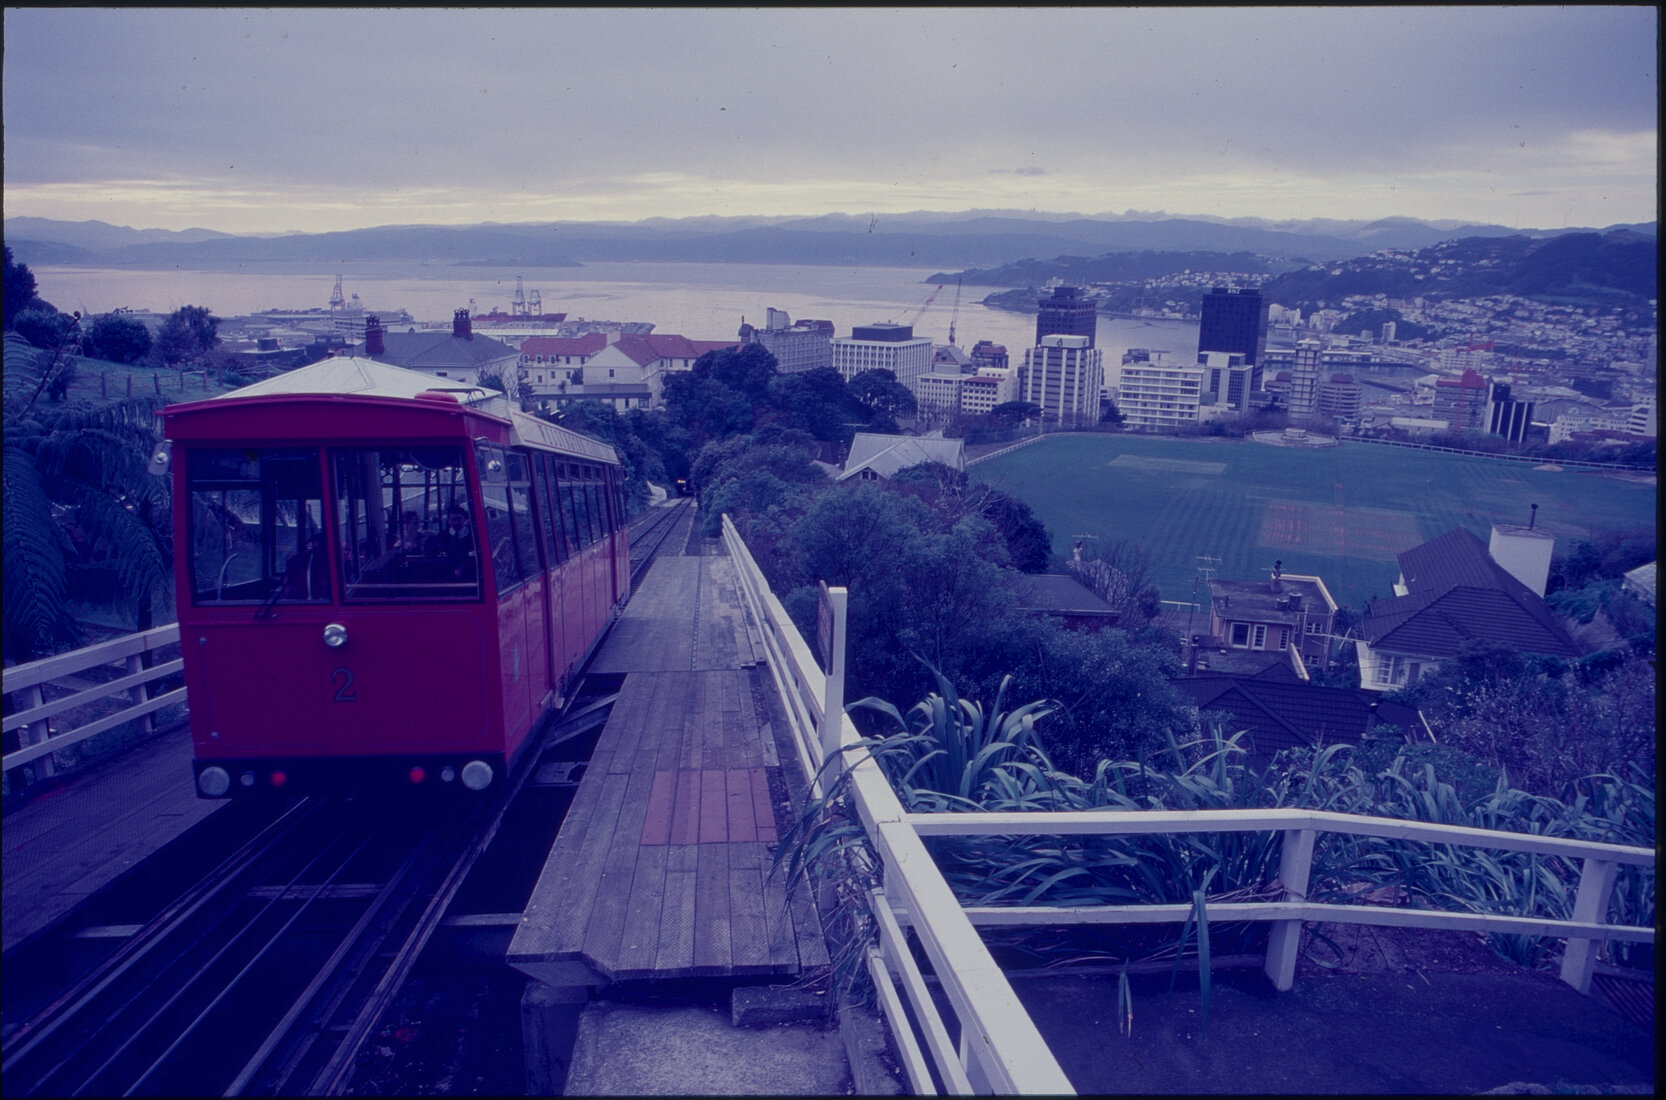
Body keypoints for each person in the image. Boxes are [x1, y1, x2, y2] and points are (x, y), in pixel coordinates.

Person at [438, 503, 477, 580]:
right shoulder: (442, 536)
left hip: (469, 577)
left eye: (459, 519)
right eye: (453, 520)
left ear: (464, 519)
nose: (456, 522)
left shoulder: (473, 536)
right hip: (447, 577)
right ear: (449, 521)